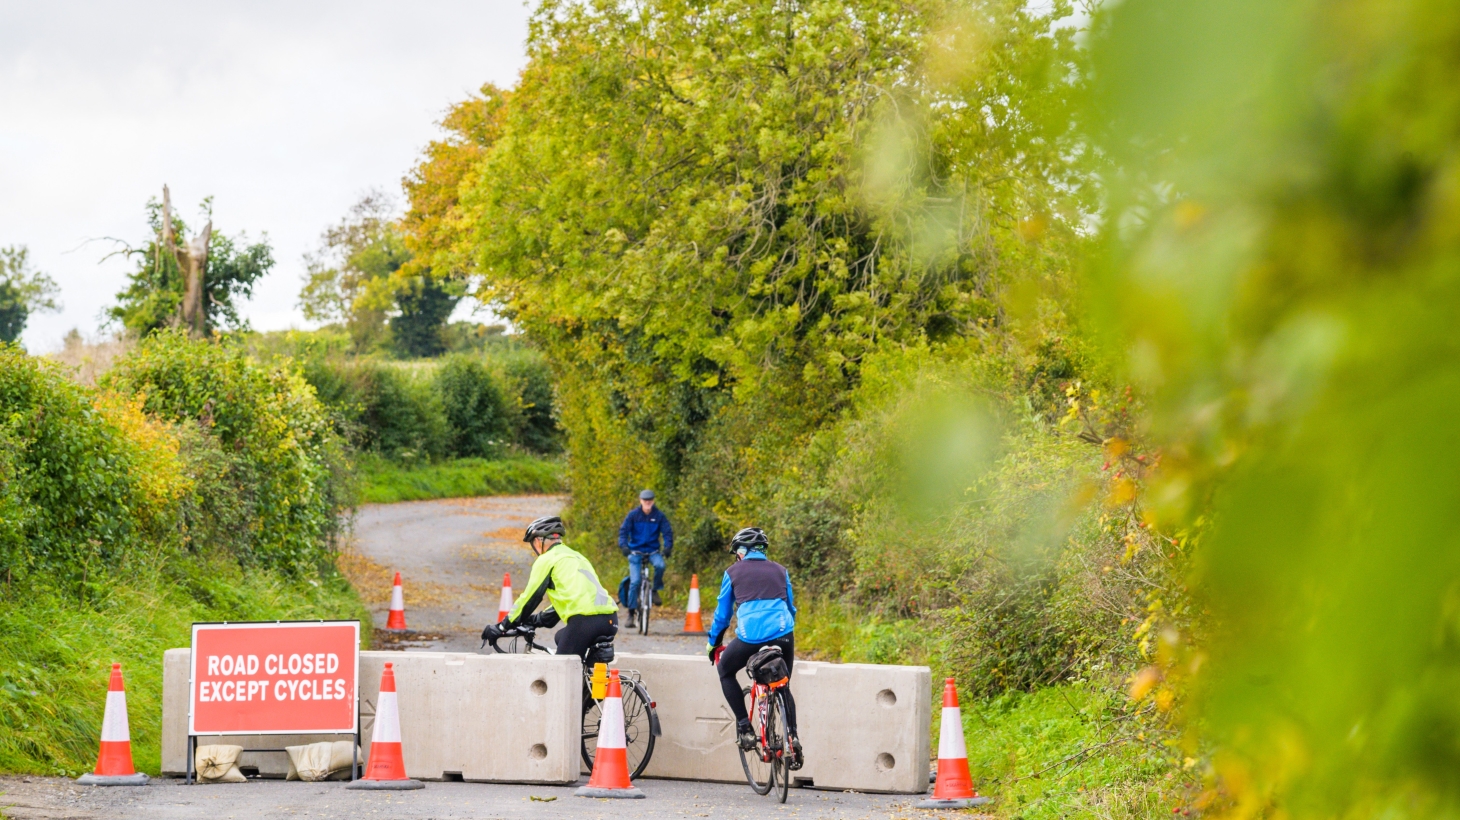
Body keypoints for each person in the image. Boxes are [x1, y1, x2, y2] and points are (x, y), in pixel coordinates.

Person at [705, 526, 802, 765]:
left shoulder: (733, 572)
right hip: (783, 634)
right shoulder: (781, 571)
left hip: (751, 638)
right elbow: (790, 607)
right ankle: (793, 737)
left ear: (741, 551)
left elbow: (722, 615)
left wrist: (713, 643)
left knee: (725, 671)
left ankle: (745, 727)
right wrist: (785, 631)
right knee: (784, 683)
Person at [481, 515, 618, 660]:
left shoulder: (547, 559)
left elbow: (529, 598)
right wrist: (536, 620)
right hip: (610, 620)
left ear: (538, 540)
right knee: (561, 638)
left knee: (561, 672)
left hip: (585, 622)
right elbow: (574, 599)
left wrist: (502, 627)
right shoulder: (577, 556)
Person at [618, 489, 674, 629]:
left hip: (653, 550)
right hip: (635, 551)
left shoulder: (659, 516)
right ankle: (631, 614)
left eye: (650, 501)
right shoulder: (633, 515)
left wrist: (668, 547)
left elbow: (667, 532)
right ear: (640, 501)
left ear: (653, 501)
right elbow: (623, 532)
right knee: (635, 581)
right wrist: (624, 546)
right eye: (645, 501)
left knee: (660, 565)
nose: (647, 503)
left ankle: (655, 590)